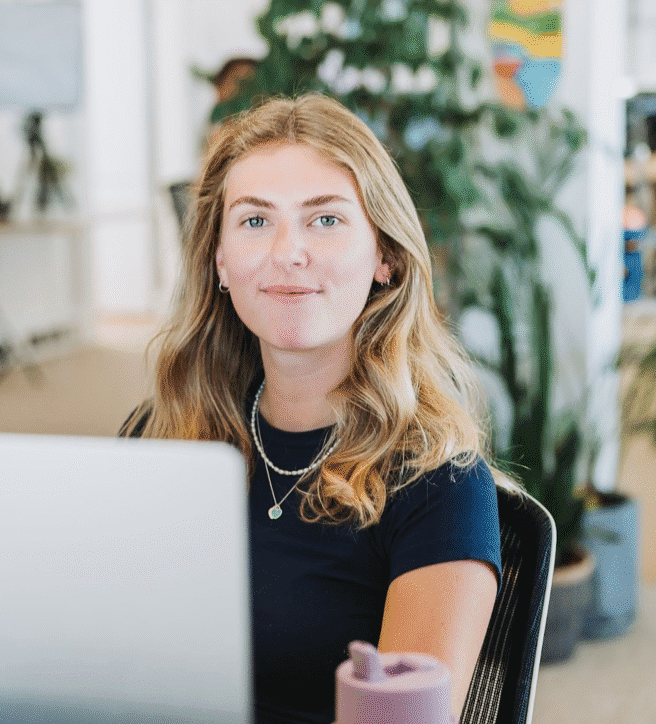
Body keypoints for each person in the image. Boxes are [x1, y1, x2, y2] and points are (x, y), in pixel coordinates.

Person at [123, 93, 521, 724]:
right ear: (219, 259)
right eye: (255, 221)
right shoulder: (163, 435)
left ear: (385, 255)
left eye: (326, 220)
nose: (288, 252)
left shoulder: (438, 482)